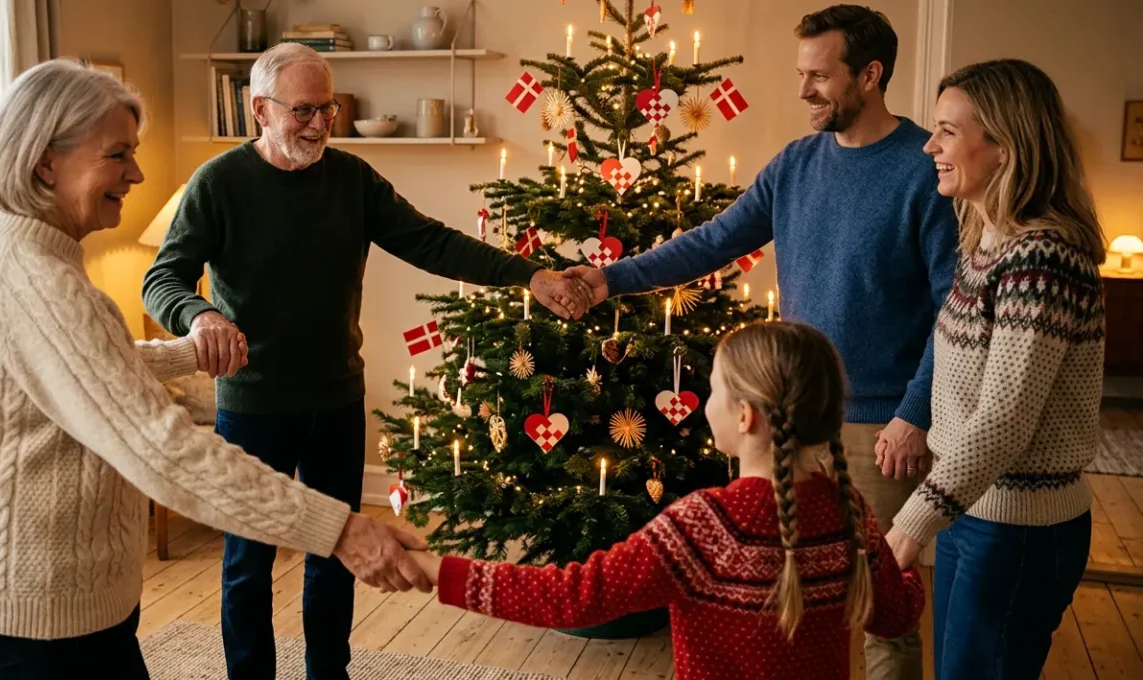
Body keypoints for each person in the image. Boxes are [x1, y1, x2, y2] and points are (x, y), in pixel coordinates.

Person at [0, 58, 433, 679]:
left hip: (34, 592)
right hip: (37, 603)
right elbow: (163, 451)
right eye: (117, 155)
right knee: (247, 570)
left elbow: (87, 364)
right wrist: (342, 531)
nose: (136, 173)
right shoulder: (38, 281)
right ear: (45, 163)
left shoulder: (11, 250)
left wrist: (190, 353)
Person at [140, 42, 592, 680]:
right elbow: (162, 279)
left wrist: (531, 275)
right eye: (303, 110)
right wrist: (200, 315)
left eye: (328, 109)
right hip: (255, 402)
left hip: (335, 398)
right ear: (259, 110)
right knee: (248, 563)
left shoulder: (351, 179)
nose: (319, 124)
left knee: (336, 555)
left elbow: (432, 242)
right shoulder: (218, 184)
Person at [562, 8, 955, 676]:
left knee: (883, 620)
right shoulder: (796, 164)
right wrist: (609, 278)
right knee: (788, 604)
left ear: (870, 74)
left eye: (818, 76)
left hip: (882, 431)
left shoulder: (924, 173)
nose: (803, 90)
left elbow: (956, 309)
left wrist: (915, 414)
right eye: (801, 74)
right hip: (790, 425)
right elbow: (713, 241)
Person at [408, 322, 925, 680]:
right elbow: (895, 617)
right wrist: (907, 565)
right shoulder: (848, 511)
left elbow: (572, 597)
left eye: (715, 390)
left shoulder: (704, 525)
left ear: (745, 416)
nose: (707, 403)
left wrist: (436, 570)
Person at [886, 59, 1106, 680]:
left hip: (1020, 529)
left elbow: (1005, 418)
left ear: (1005, 147)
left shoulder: (1042, 258)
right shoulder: (984, 241)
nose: (929, 146)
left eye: (948, 131)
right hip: (975, 511)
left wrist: (911, 524)